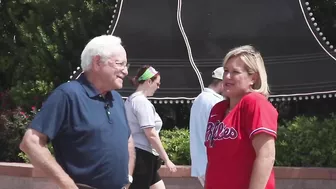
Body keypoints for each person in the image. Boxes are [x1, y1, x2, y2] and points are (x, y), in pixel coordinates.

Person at [19, 35, 136, 189]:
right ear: (97, 62)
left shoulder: (116, 99)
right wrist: (68, 185)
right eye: (120, 64)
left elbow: (127, 140)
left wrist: (127, 179)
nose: (126, 71)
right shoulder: (68, 95)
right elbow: (31, 142)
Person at [204, 45, 278, 189]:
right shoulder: (217, 109)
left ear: (253, 78)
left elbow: (266, 156)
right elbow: (214, 161)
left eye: (235, 72)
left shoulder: (255, 103)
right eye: (226, 71)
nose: (227, 76)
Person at [124, 65, 177, 189]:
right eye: (157, 84)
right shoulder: (142, 102)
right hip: (142, 156)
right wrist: (166, 159)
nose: (158, 87)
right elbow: (151, 134)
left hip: (140, 154)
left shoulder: (131, 100)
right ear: (149, 81)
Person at [189, 67, 225, 187]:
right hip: (212, 162)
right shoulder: (216, 102)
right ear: (222, 84)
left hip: (200, 161)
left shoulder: (199, 99)